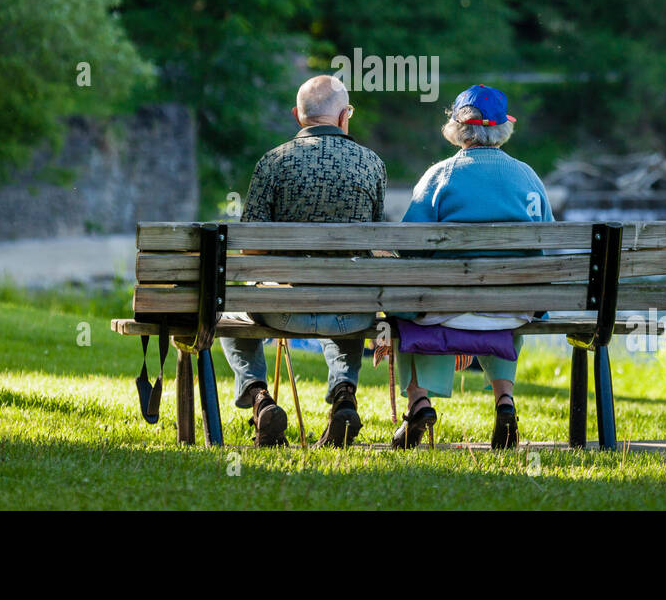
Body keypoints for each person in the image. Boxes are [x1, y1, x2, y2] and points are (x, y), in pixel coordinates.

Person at [219, 75, 385, 447]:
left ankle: (260, 398)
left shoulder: (273, 162)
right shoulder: (372, 164)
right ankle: (344, 395)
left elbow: (252, 249)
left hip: (281, 310)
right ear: (344, 117)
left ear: (298, 116)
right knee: (346, 300)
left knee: (230, 315)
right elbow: (375, 245)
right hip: (350, 312)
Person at [392, 84, 553, 450]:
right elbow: (549, 242)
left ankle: (419, 402)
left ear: (457, 128)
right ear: (503, 128)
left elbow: (406, 246)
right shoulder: (527, 176)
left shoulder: (440, 176)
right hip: (512, 311)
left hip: (442, 311)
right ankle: (505, 402)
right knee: (514, 293)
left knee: (403, 306)